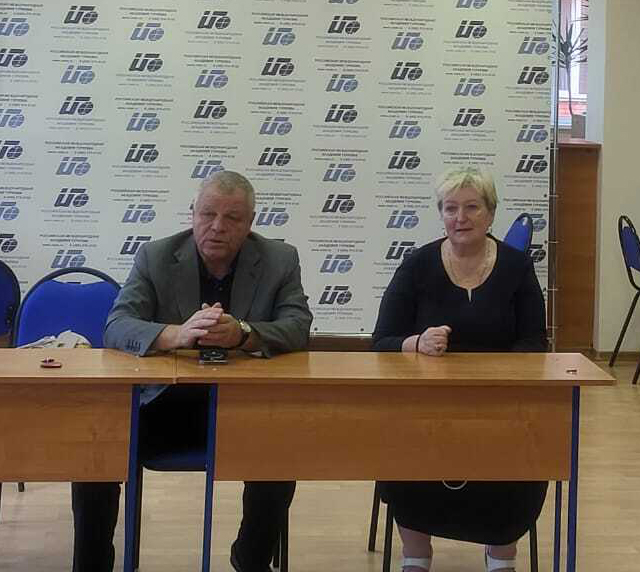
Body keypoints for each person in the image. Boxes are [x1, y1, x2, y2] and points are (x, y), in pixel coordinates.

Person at [71, 170, 313, 572]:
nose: (217, 226)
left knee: (280, 452)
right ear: (193, 214)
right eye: (207, 214)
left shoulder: (280, 259)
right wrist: (175, 334)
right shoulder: (156, 256)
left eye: (232, 218)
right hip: (163, 404)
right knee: (95, 452)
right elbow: (117, 325)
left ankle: (250, 559)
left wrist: (243, 334)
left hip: (242, 408)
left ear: (250, 223)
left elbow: (298, 326)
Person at [372, 166, 548, 572]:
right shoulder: (417, 264)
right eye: (450, 208)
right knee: (401, 442)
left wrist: (497, 379)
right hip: (426, 402)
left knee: (525, 445)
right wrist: (417, 342)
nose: (460, 218)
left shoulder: (517, 267)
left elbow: (533, 343)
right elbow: (381, 340)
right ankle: (416, 555)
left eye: (471, 207)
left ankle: (501, 554)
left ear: (491, 213)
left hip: (499, 403)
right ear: (441, 214)